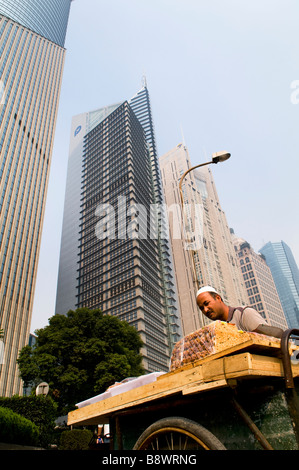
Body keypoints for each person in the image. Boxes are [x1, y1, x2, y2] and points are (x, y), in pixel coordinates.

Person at [196, 285, 284, 339]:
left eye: (207, 303)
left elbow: (278, 335)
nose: (205, 310)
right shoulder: (215, 331)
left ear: (218, 298)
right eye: (201, 308)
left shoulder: (244, 314)